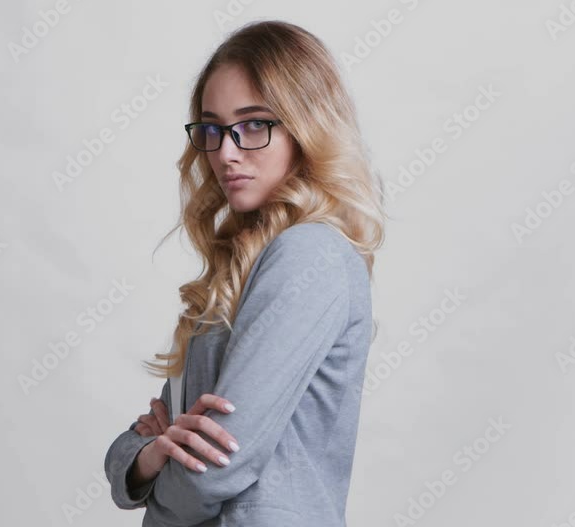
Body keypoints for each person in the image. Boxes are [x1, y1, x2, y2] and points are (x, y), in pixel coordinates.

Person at [104, 19, 386, 526]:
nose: (225, 152)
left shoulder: (310, 253)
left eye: (254, 125)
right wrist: (147, 457)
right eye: (212, 129)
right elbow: (144, 440)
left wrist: (156, 493)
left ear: (306, 126)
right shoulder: (242, 263)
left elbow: (213, 466)